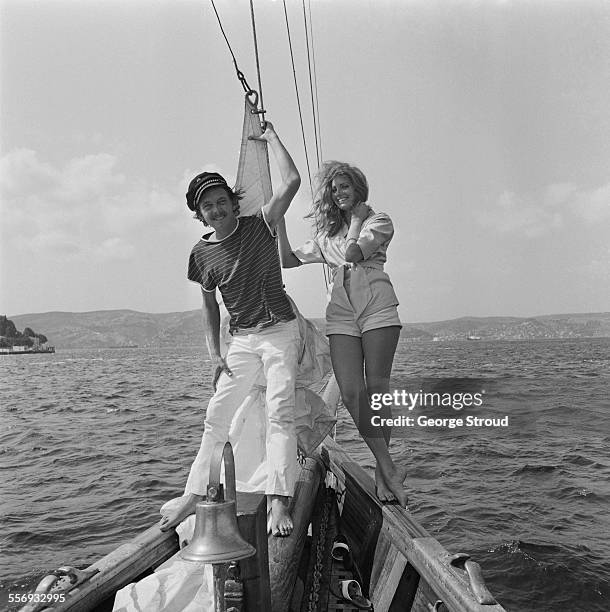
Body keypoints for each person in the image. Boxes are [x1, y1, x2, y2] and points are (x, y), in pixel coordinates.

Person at [159, 121, 301, 536]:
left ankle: (278, 500)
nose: (217, 209)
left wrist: (271, 136)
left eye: (222, 201)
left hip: (279, 333)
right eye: (208, 206)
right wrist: (214, 352)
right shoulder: (201, 254)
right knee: (216, 416)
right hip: (240, 340)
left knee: (281, 413)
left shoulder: (261, 225)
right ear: (199, 214)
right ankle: (193, 494)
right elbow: (208, 302)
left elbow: (290, 182)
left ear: (233, 203)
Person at [277, 161, 408, 507]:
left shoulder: (379, 222)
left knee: (376, 389)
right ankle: (388, 466)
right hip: (341, 313)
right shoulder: (326, 238)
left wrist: (355, 222)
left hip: (377, 306)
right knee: (352, 393)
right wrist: (279, 222)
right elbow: (288, 259)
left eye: (345, 186)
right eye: (333, 189)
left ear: (359, 188)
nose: (338, 193)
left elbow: (353, 253)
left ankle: (383, 474)